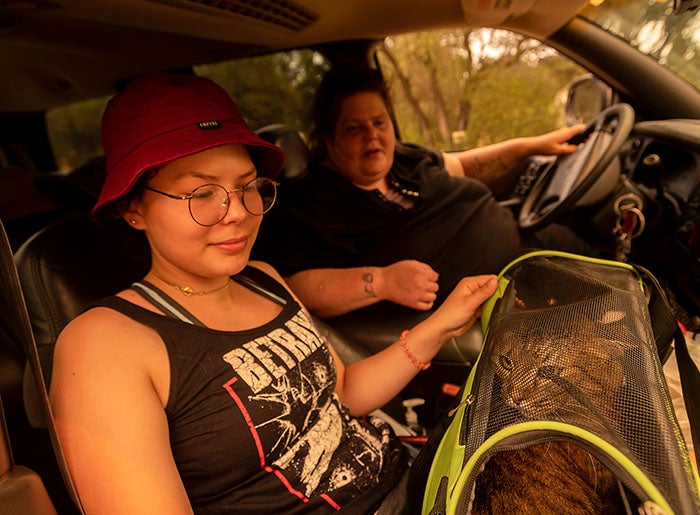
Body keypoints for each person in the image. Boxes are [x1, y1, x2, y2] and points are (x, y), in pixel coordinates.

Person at [48, 72, 498, 514]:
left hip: (415, 477)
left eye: (247, 187)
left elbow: (343, 393)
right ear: (133, 209)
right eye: (202, 193)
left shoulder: (262, 277)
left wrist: (440, 325)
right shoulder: (103, 345)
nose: (238, 213)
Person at [253, 66, 592, 321]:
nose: (372, 136)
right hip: (499, 301)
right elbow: (294, 285)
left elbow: (466, 165)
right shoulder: (311, 204)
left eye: (380, 122)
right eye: (355, 128)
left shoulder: (404, 158)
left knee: (618, 271)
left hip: (531, 247)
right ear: (329, 140)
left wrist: (531, 146)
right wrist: (382, 281)